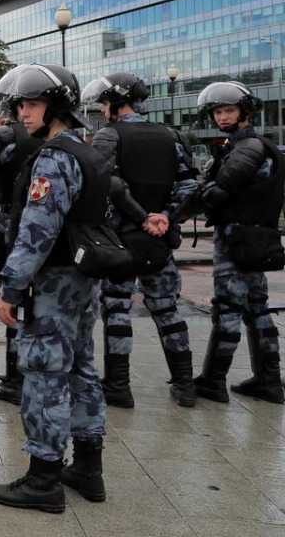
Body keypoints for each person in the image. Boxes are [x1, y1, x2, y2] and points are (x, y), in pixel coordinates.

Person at [0, 64, 107, 513]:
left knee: (44, 375)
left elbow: (38, 231)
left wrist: (12, 287)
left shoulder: (55, 158)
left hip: (55, 284)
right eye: (19, 104)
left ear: (55, 106)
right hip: (82, 282)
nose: (22, 112)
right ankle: (88, 468)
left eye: (31, 103)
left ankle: (43, 478)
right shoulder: (88, 151)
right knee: (82, 369)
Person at [81, 72, 200, 408]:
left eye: (105, 102)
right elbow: (191, 188)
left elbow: (108, 185)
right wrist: (165, 219)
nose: (103, 108)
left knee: (117, 307)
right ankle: (185, 384)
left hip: (121, 240)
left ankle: (118, 386)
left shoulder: (109, 136)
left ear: (117, 102)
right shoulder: (171, 135)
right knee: (167, 308)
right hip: (160, 241)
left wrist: (141, 217)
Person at [193, 81, 284, 405]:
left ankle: (213, 381)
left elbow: (215, 194)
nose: (222, 116)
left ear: (244, 111)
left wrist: (206, 188)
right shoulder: (260, 145)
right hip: (260, 238)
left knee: (229, 308)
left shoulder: (247, 148)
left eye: (228, 110)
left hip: (237, 239)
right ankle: (269, 380)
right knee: (257, 308)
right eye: (217, 111)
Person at [0, 70, 43, 405]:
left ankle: (16, 377)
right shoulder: (61, 136)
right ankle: (38, 371)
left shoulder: (5, 136)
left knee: (14, 299)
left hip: (14, 223)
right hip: (50, 226)